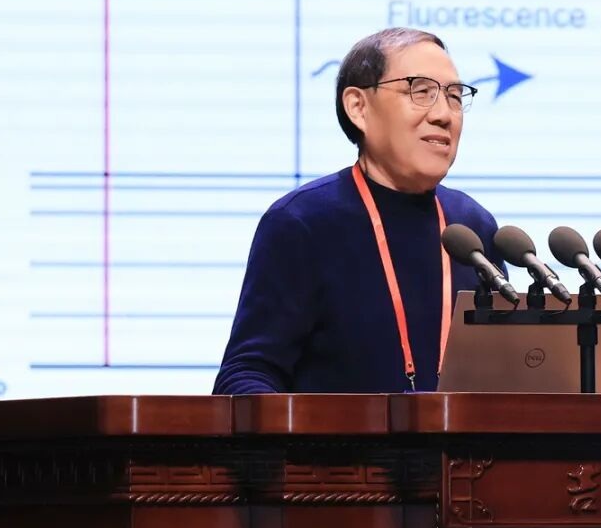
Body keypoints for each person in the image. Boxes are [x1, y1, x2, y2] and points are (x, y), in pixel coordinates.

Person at [213, 28, 503, 394]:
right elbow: (246, 374)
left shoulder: (472, 227)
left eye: (455, 96)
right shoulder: (302, 223)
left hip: (456, 435)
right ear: (358, 107)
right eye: (421, 91)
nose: (444, 114)